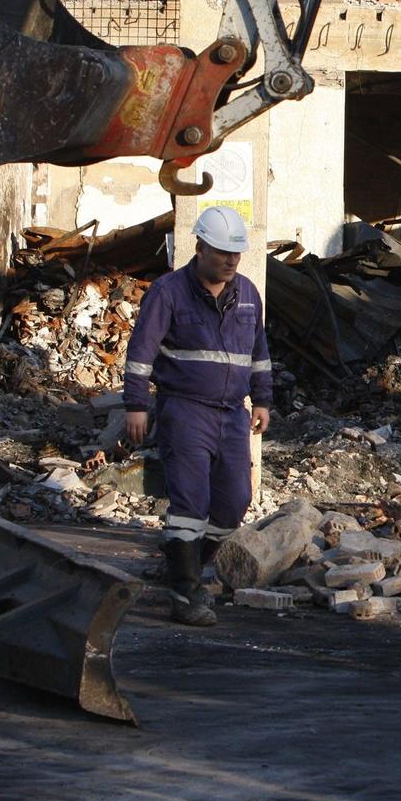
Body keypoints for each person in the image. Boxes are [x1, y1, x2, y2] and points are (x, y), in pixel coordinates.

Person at [92, 205, 271, 627]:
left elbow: (259, 353)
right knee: (191, 502)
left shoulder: (247, 294)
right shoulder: (168, 292)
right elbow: (140, 354)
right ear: (201, 247)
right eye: (223, 252)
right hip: (184, 408)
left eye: (236, 254)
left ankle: (181, 559)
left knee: (233, 503)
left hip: (231, 413)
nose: (231, 261)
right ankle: (186, 590)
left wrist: (262, 399)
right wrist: (136, 405)